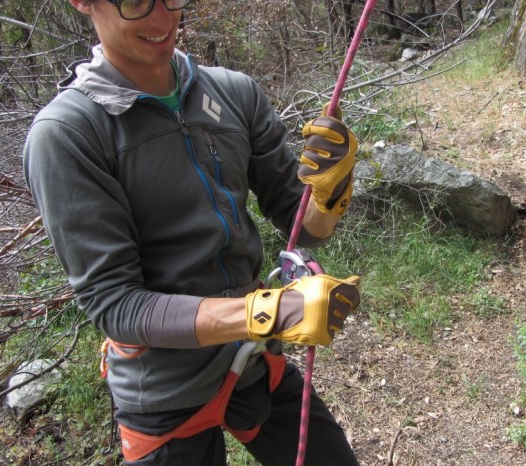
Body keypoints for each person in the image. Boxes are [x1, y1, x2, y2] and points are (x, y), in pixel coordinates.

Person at [22, 0, 362, 464]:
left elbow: (304, 227)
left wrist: (330, 191)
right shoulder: (69, 134)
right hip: (164, 388)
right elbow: (115, 303)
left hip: (253, 363)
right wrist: (267, 312)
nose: (162, 20)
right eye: (135, 2)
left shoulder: (233, 92)